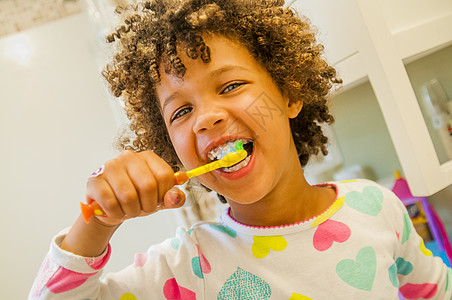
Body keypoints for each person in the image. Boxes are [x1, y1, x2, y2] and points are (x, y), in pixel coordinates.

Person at [29, 0, 451, 299]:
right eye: (180, 113)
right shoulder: (188, 268)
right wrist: (98, 223)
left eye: (230, 86)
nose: (205, 118)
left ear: (289, 94)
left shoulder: (376, 208)